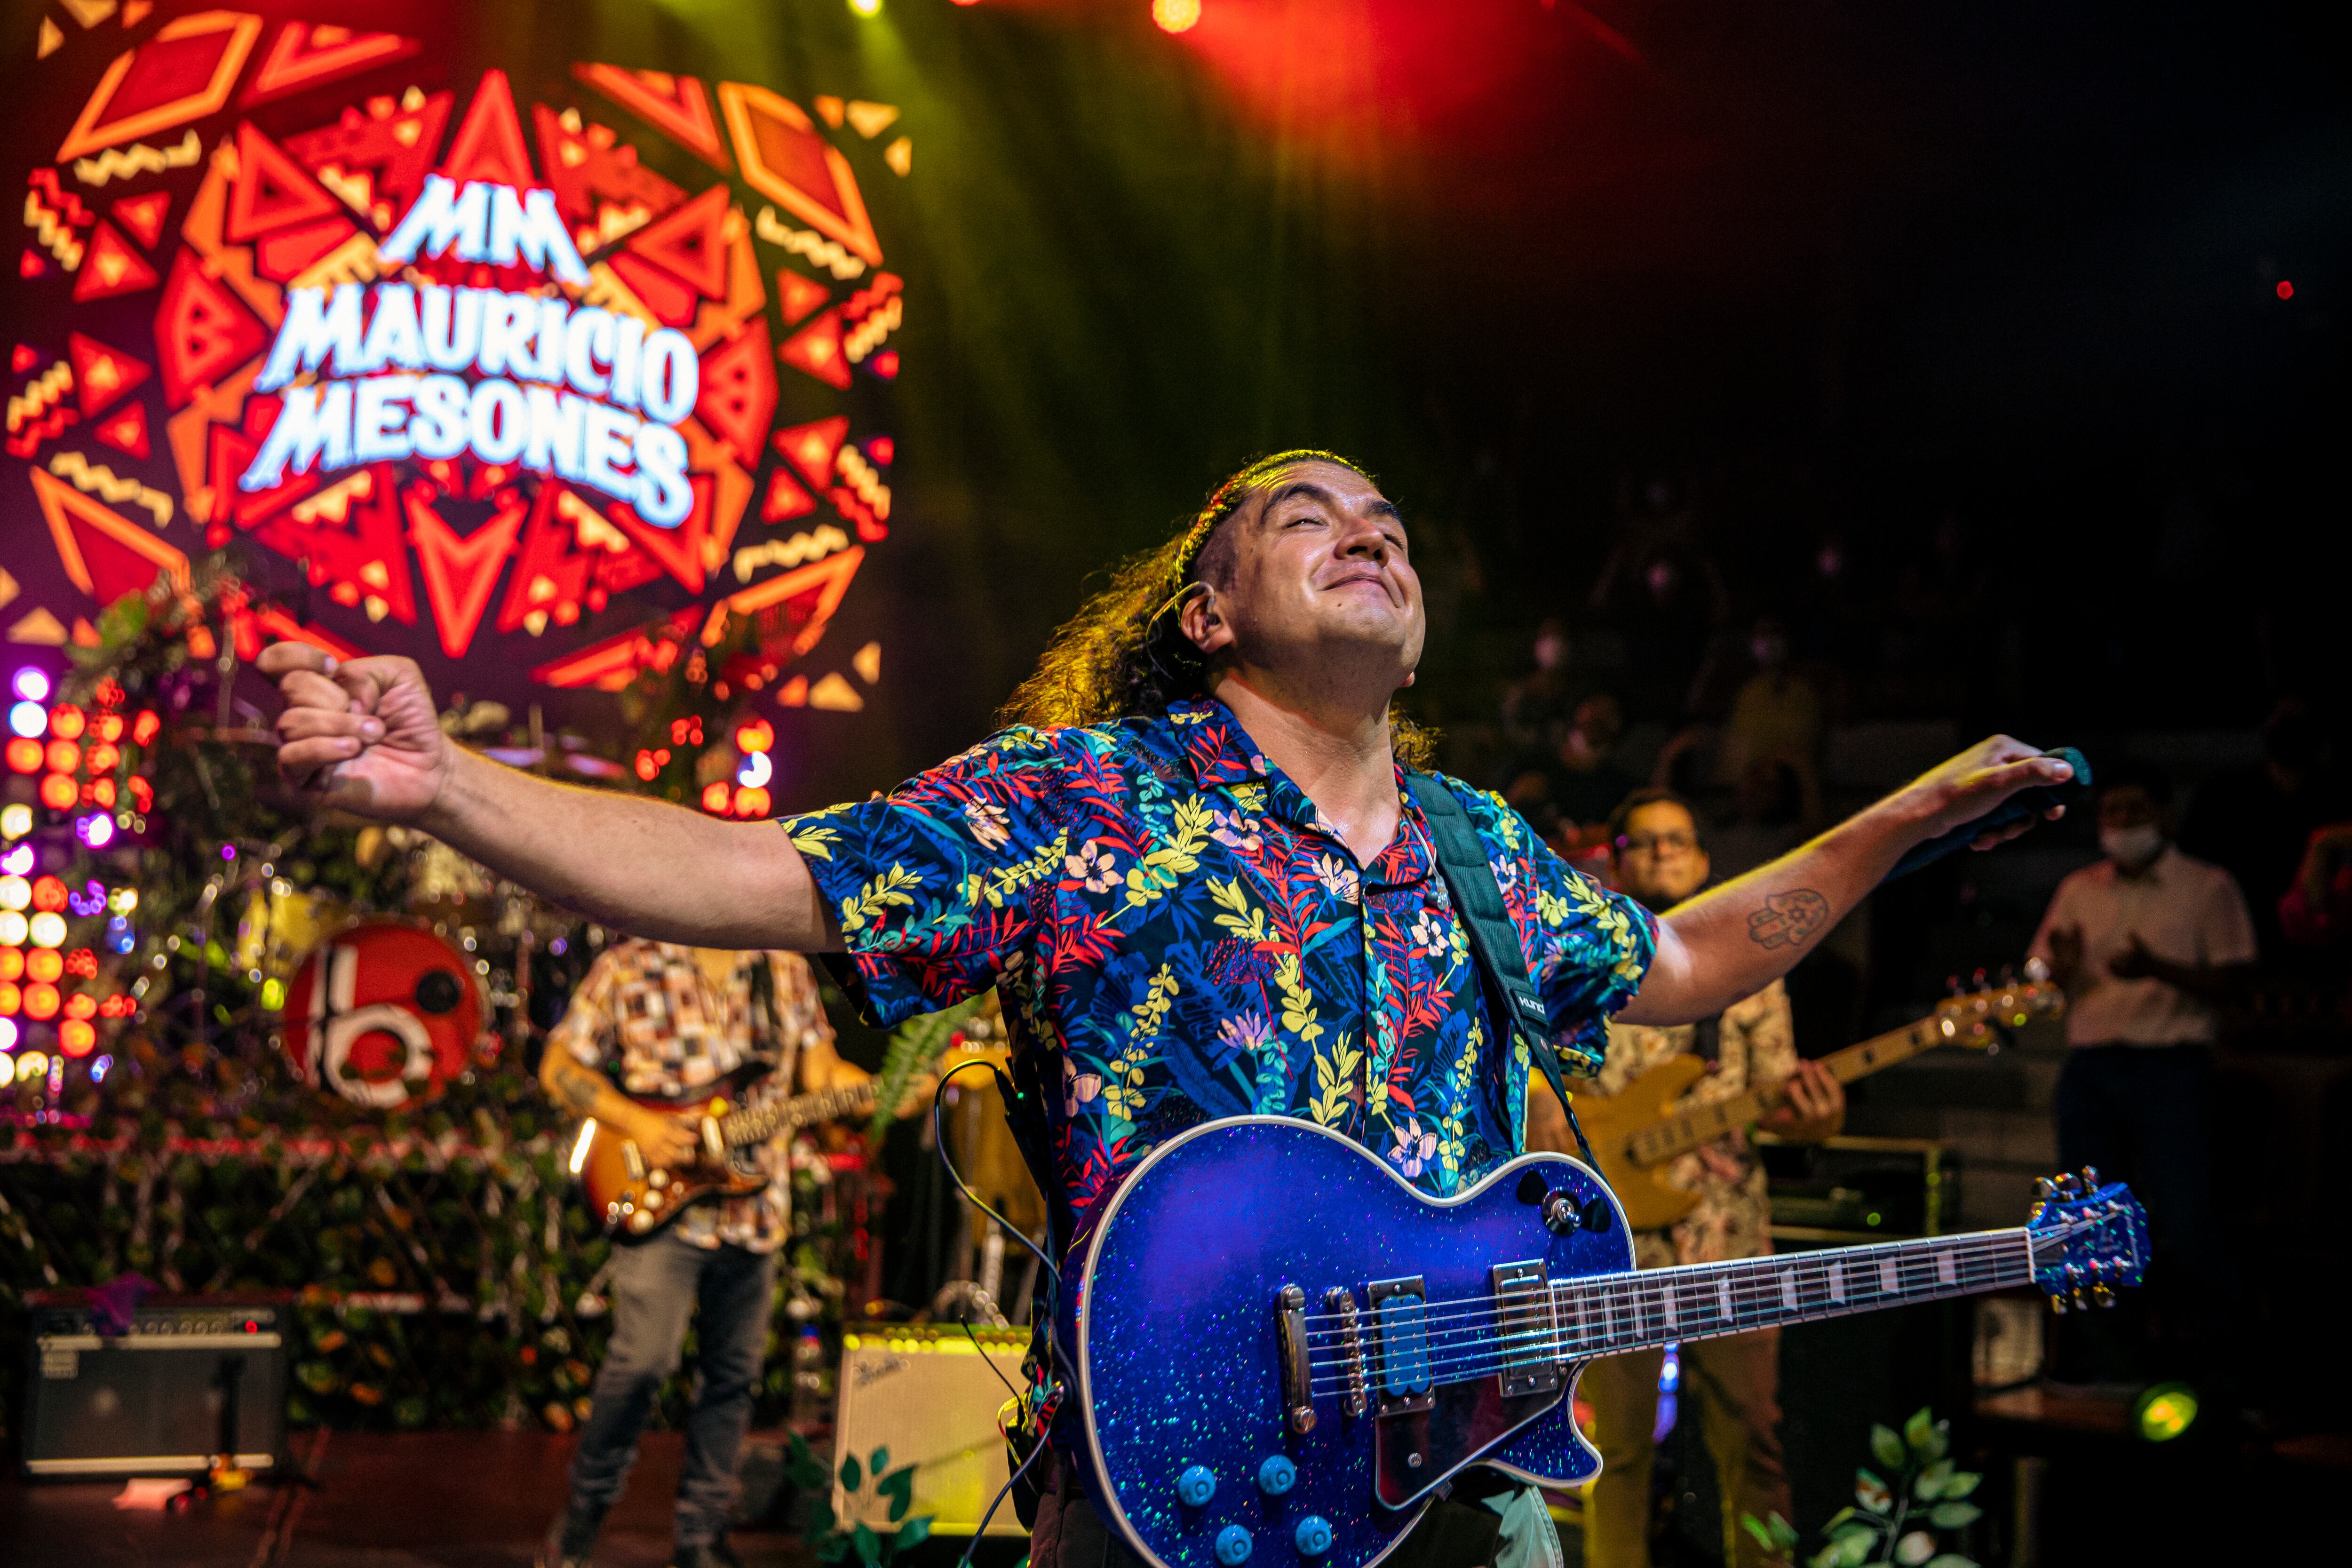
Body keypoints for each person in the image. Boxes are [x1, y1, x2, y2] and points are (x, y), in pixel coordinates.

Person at [259, 450, 2072, 1568]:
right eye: (1312, 516)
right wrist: (451, 792)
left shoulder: (1480, 845)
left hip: (1460, 1485)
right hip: (1181, 1485)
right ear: (1211, 610)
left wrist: (1912, 817)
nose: (1370, 533)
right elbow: (760, 874)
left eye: (1390, 522)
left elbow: (1686, 967)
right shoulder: (1092, 802)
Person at [1527, 788, 1845, 1568]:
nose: (1665, 851)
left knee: (1755, 1443)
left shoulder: (1754, 968)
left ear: (1705, 857)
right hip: (1616, 1246)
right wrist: (1545, 1114)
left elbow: (1779, 1094)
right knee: (1616, 1453)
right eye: (1647, 840)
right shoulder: (1582, 967)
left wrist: (1815, 1116)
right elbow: (1542, 1080)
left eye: (1680, 839)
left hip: (1728, 1233)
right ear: (1620, 859)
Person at [535, 942, 871, 1568]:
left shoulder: (784, 968)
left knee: (733, 1381)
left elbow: (821, 1074)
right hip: (658, 1203)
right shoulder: (629, 964)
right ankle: (585, 1510)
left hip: (754, 1211)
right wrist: (637, 1122)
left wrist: (882, 1087)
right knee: (641, 1362)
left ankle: (701, 1536)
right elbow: (559, 1065)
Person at [2028, 761, 2256, 1385]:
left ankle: (2213, 1367)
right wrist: (2061, 968)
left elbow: (2237, 980)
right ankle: (2104, 1362)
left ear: (2166, 816)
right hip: (2093, 1069)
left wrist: (2161, 967)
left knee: (2185, 1217)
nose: (2122, 823)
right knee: (2084, 1221)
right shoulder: (2078, 888)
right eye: (2111, 812)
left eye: (2135, 811)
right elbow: (2040, 977)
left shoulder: (2207, 887)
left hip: (2172, 1068)